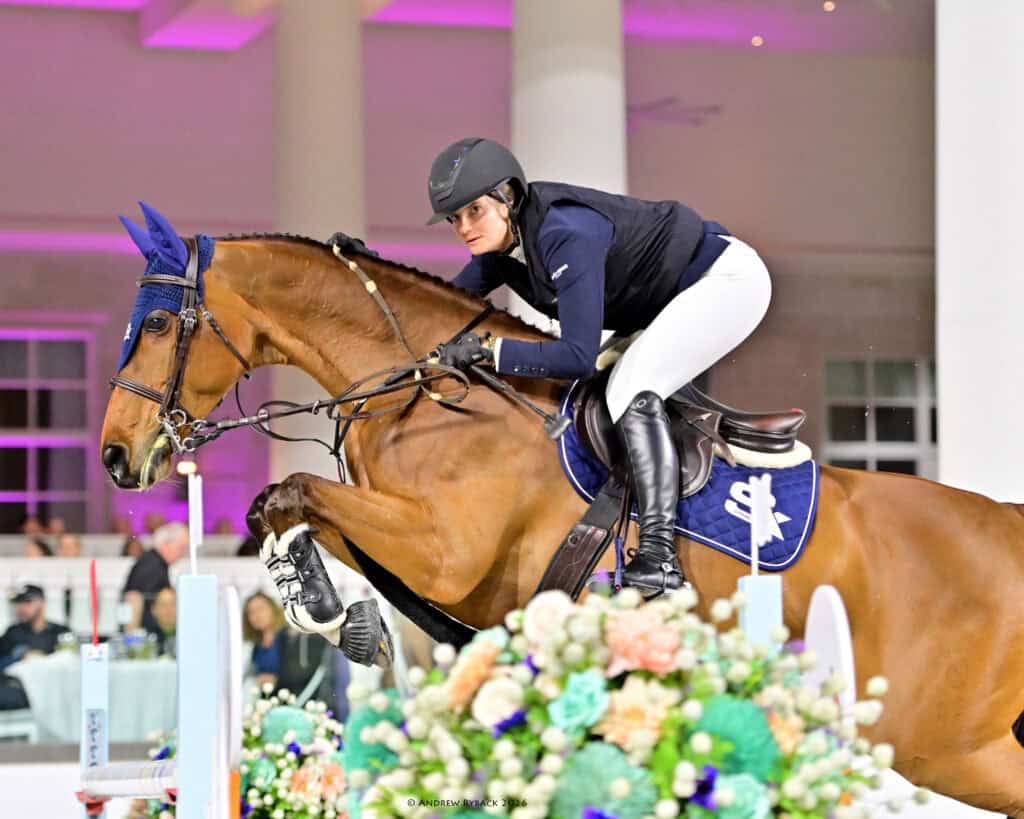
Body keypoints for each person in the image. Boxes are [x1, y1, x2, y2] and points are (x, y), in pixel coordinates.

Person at [424, 138, 772, 597]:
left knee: (629, 387)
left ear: (508, 196)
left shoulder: (565, 232)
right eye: (454, 219)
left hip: (725, 282)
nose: (464, 228)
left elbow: (575, 356)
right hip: (671, 301)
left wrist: (491, 351)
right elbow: (438, 307)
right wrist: (361, 268)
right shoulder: (503, 249)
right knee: (612, 388)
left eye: (474, 211)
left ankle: (660, 555)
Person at [122, 522, 188, 633]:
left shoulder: (153, 563)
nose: (182, 554)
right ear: (166, 544)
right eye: (181, 548)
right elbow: (139, 603)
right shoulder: (152, 566)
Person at [0, 585, 70, 671]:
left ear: (42, 603)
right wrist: (19, 658)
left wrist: (42, 659)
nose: (21, 607)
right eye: (18, 602)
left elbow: (71, 664)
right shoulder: (12, 633)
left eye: (27, 601)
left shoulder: (61, 632)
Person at [147, 586, 176, 656]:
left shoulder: (190, 637)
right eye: (163, 605)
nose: (168, 609)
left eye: (173, 604)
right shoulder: (147, 638)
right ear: (153, 609)